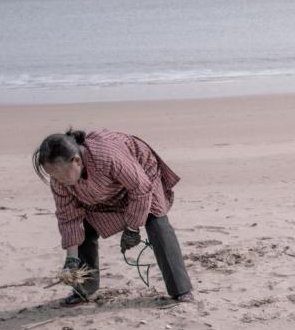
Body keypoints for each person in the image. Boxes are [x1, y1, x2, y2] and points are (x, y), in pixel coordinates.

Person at [32, 129, 194, 305]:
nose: (57, 180)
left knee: (156, 221)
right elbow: (68, 217)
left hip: (142, 176)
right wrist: (71, 259)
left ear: (76, 160)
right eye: (52, 176)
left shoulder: (107, 156)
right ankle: (85, 291)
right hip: (102, 192)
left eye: (60, 175)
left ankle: (181, 290)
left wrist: (132, 229)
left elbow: (140, 189)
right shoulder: (60, 181)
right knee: (84, 227)